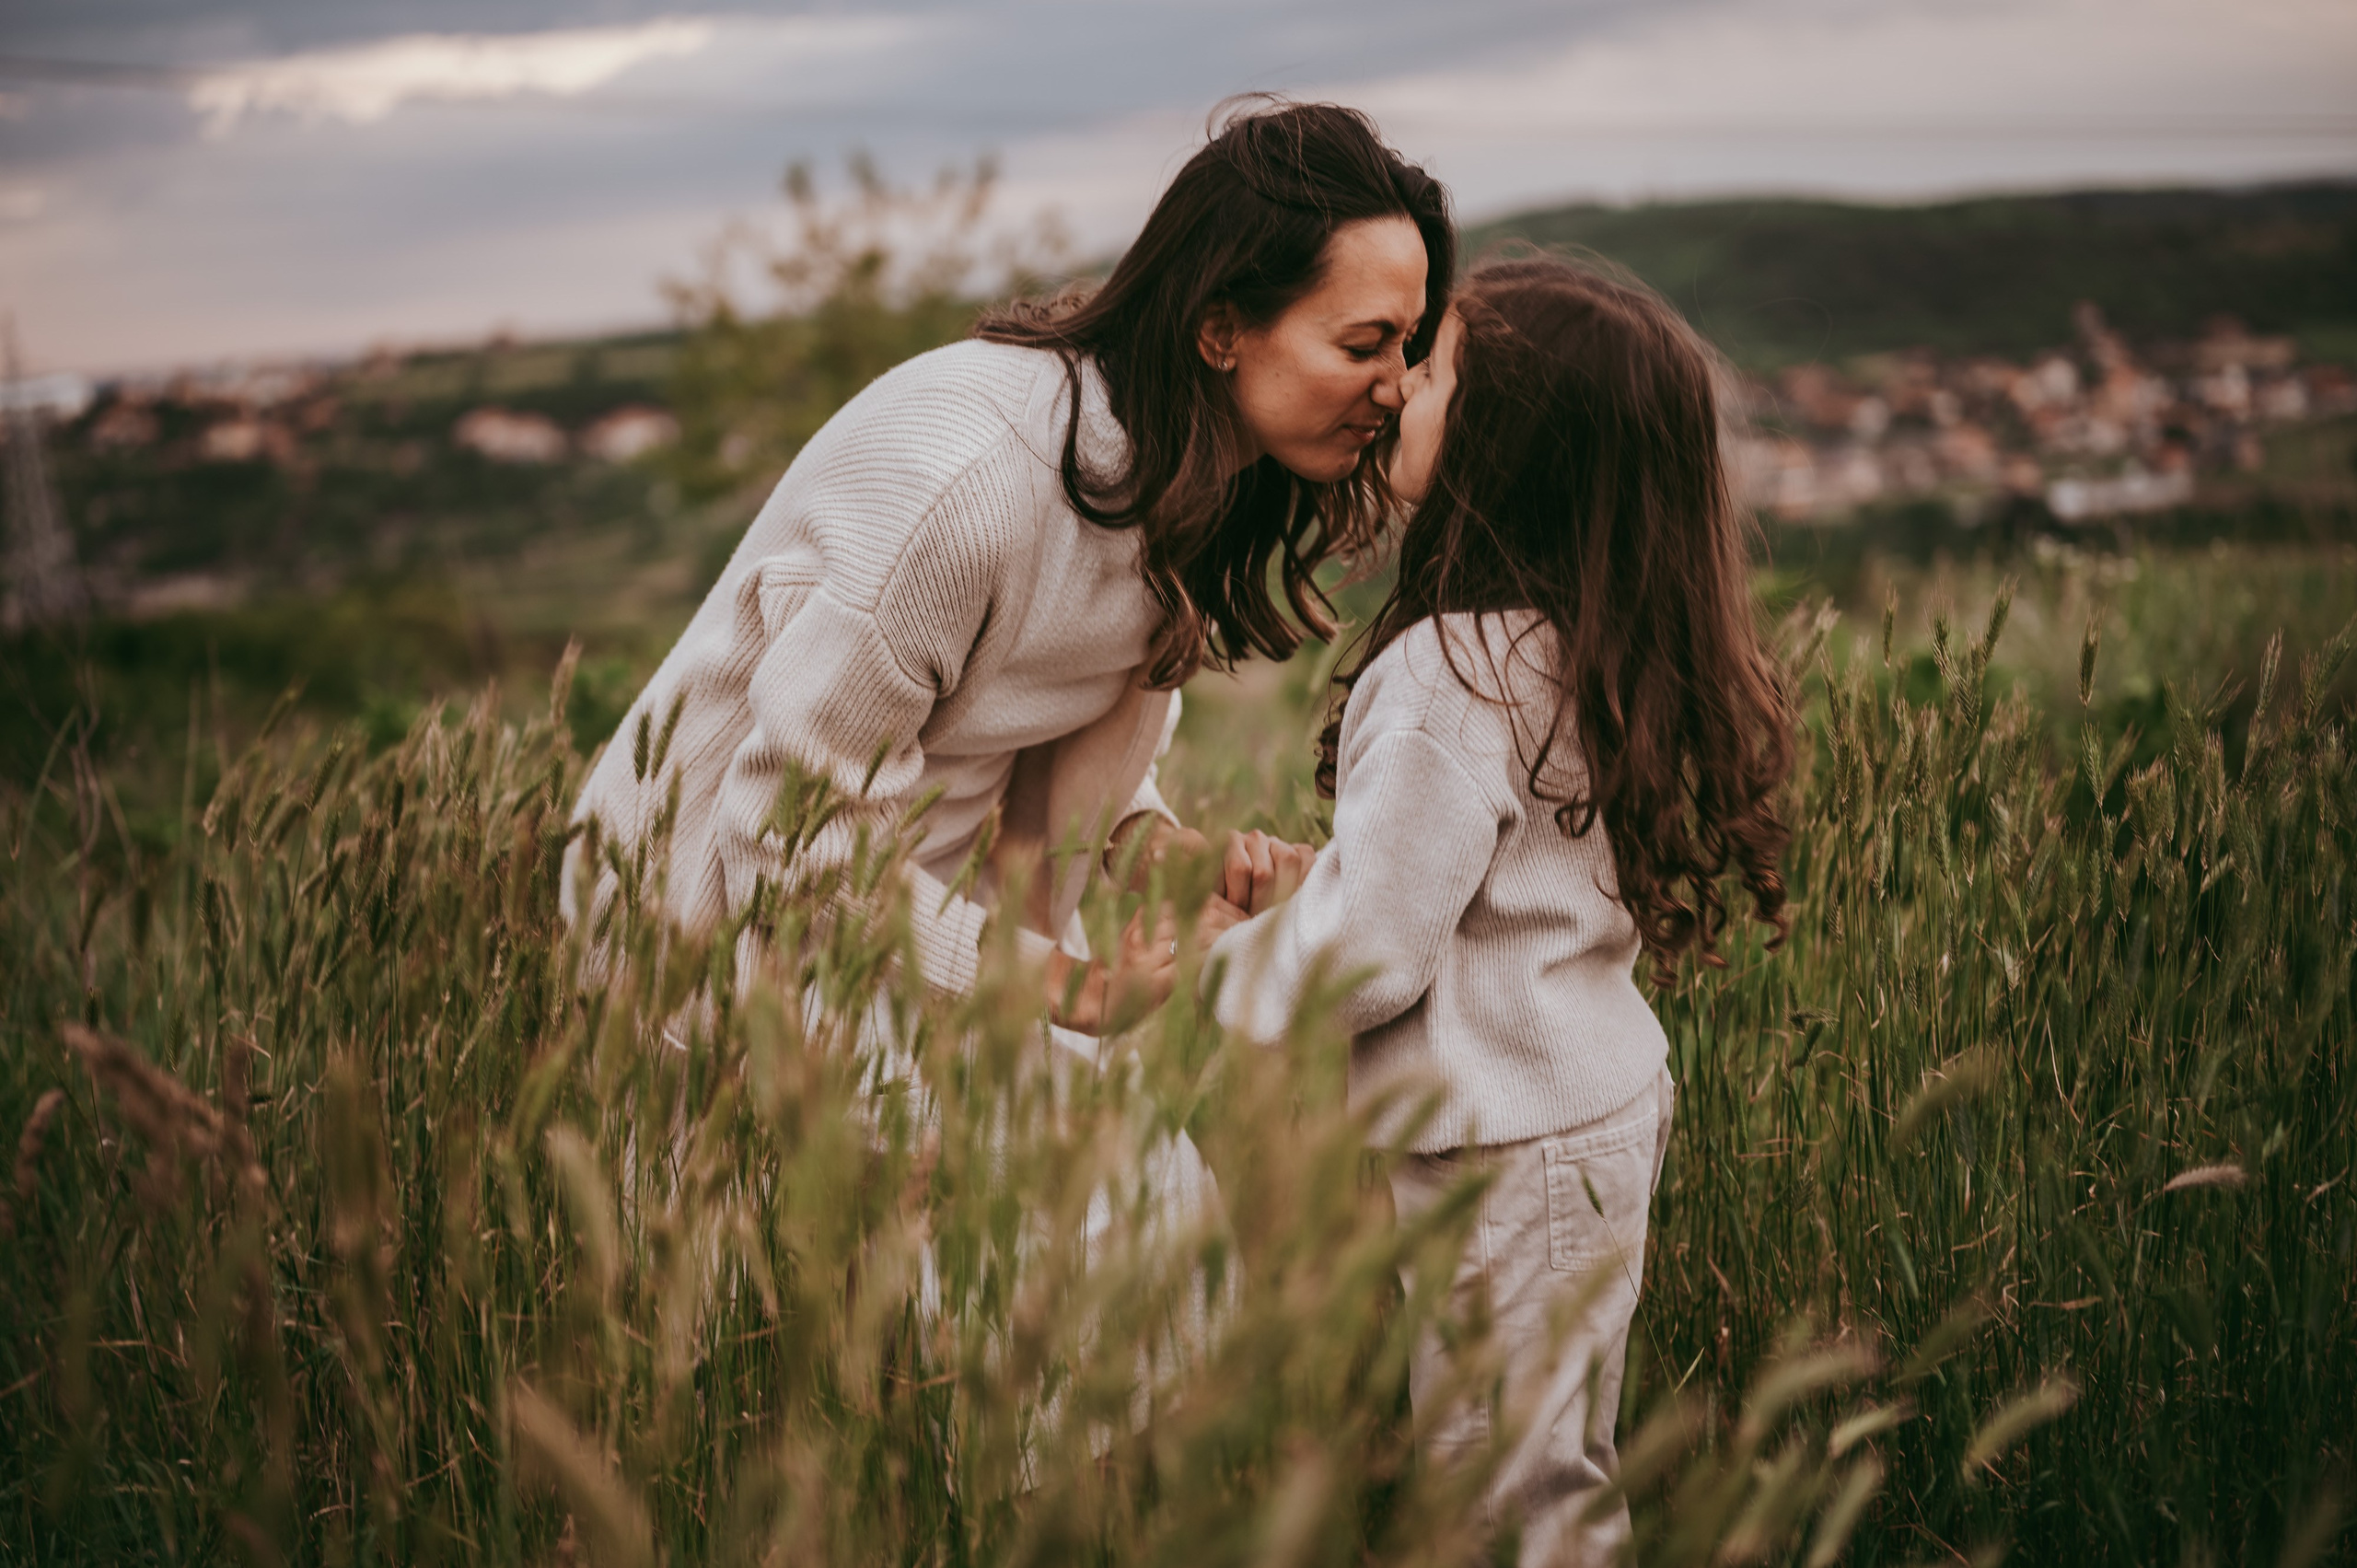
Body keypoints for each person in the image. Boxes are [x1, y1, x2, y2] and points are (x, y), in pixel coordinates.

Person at [564, 100, 1454, 1042]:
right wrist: (1076, 989)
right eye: (1362, 345)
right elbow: (789, 840)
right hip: (717, 949)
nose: (1398, 385)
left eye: (1409, 345)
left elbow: (1025, 709)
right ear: (1221, 328)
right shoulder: (966, 491)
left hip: (941, 929)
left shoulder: (1188, 472)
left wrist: (1161, 851)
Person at [1207, 257, 1797, 1564]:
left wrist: (1221, 967)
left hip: (1502, 1146)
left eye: (1443, 365)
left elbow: (1369, 960)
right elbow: (1490, 883)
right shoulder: (1584, 637)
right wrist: (1330, 884)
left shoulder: (1450, 668)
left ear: (1509, 440)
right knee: (1553, 1468)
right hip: (1584, 1114)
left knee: (1506, 1500)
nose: (1406, 378)